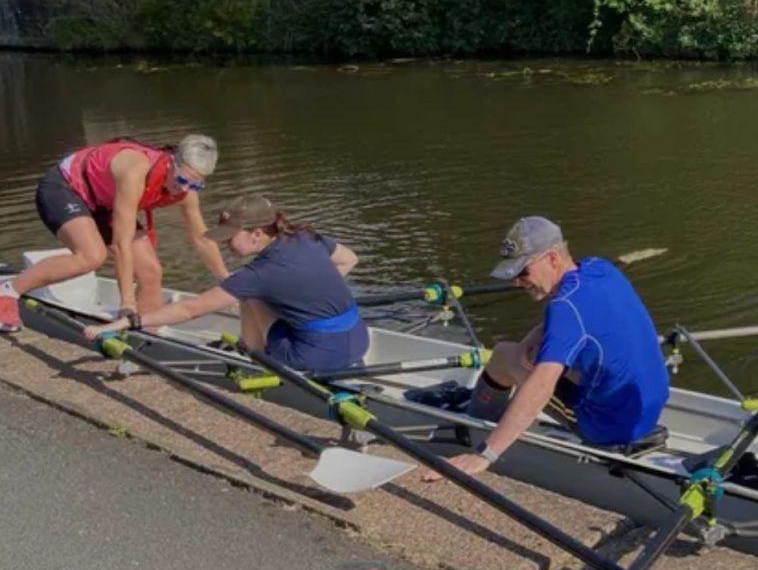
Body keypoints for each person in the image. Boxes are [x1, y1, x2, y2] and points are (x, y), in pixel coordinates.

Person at [423, 216, 669, 481]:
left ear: (552, 259)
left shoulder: (564, 308)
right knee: (531, 355)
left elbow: (541, 387)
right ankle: (489, 412)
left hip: (607, 426)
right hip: (649, 407)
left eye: (523, 272)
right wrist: (534, 336)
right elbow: (582, 318)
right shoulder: (600, 268)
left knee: (504, 355)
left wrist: (485, 456)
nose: (517, 282)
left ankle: (472, 428)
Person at [81, 195, 369, 374]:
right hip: (359, 339)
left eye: (230, 236)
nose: (225, 243)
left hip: (312, 357)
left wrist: (127, 323)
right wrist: (305, 290)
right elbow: (348, 260)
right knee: (264, 295)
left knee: (249, 295)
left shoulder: (258, 274)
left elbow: (189, 310)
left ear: (257, 234)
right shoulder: (306, 237)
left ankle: (255, 358)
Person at [0, 135, 227, 332]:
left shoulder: (186, 191)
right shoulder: (135, 171)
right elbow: (121, 244)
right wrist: (126, 302)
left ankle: (146, 337)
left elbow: (202, 239)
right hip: (66, 188)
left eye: (195, 185)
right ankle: (8, 292)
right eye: (182, 180)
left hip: (105, 201)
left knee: (151, 272)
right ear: (170, 162)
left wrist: (226, 281)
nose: (185, 189)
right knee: (91, 257)